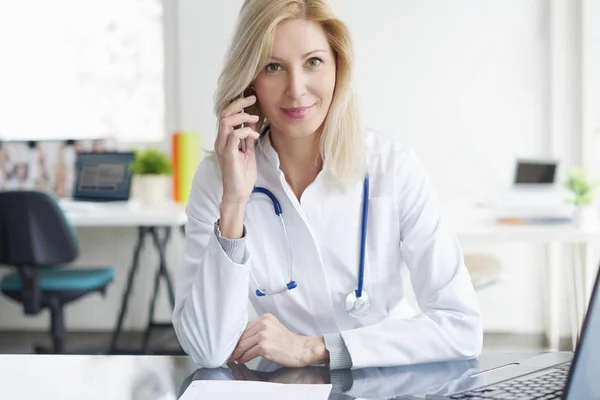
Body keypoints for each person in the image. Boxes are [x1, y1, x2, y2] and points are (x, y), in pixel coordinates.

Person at [172, 0, 482, 370]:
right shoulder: (220, 178)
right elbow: (209, 349)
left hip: (390, 378)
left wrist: (316, 348)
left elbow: (461, 326)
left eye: (313, 62)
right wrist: (235, 203)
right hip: (285, 388)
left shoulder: (393, 168)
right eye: (273, 67)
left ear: (339, 67)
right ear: (249, 80)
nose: (296, 89)